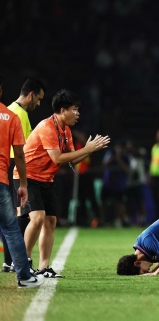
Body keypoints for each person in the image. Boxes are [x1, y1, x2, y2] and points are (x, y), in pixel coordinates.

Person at [13, 89, 110, 278]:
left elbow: (72, 161)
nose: (78, 113)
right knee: (38, 217)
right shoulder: (47, 127)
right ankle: (23, 262)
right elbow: (58, 159)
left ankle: (44, 267)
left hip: (46, 178)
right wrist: (88, 148)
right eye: (75, 109)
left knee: (50, 220)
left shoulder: (65, 130)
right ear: (63, 110)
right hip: (28, 176)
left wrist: (90, 150)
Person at [0, 75, 45, 288]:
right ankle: (16, 268)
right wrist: (25, 182)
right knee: (13, 221)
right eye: (39, 99)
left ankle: (9, 262)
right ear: (30, 94)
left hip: (6, 167)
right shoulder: (16, 116)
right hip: (8, 168)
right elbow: (23, 151)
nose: (39, 103)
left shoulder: (11, 109)